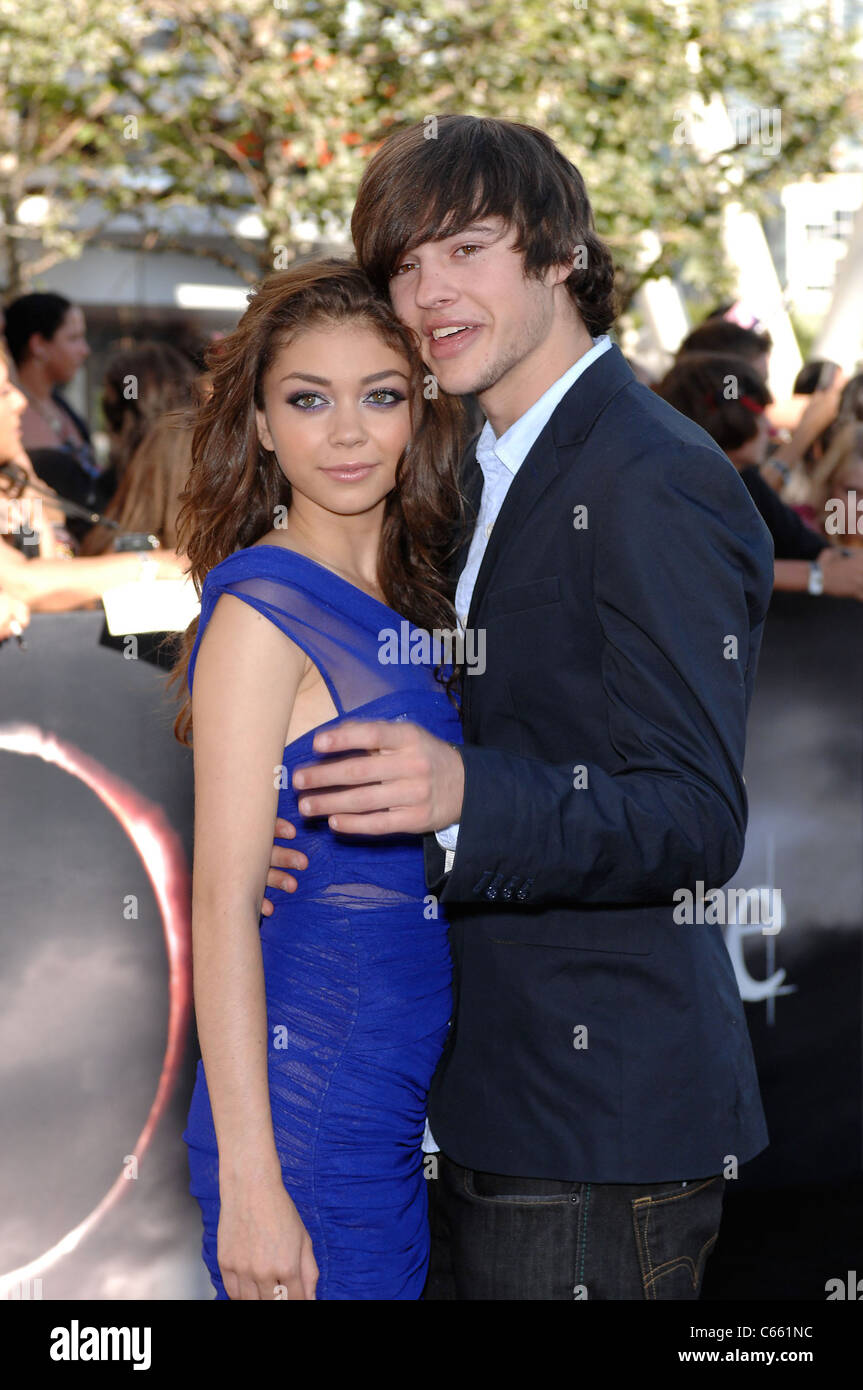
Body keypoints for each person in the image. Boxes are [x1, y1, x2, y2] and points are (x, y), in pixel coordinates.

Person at [260, 114, 774, 1301]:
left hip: (590, 1132)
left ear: (557, 256)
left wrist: (458, 799)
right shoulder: (482, 464)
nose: (426, 290)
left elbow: (692, 814)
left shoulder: (648, 475)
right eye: (402, 263)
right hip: (491, 1103)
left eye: (466, 250)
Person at [168, 259, 467, 1300]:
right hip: (304, 1112)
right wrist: (253, 1179)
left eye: (379, 395)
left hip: (379, 1095)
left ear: (418, 411)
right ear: (257, 424)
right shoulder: (262, 611)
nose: (346, 433)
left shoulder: (408, 590)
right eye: (307, 399)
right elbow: (221, 902)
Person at [654, 352, 863, 601]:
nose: (768, 425)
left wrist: (839, 564)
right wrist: (815, 576)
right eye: (759, 412)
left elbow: (809, 547)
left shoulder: (747, 479)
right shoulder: (672, 492)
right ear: (728, 415)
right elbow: (702, 570)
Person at [3, 291, 108, 543]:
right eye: (73, 338)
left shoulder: (62, 406)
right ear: (38, 344)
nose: (85, 350)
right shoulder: (9, 421)